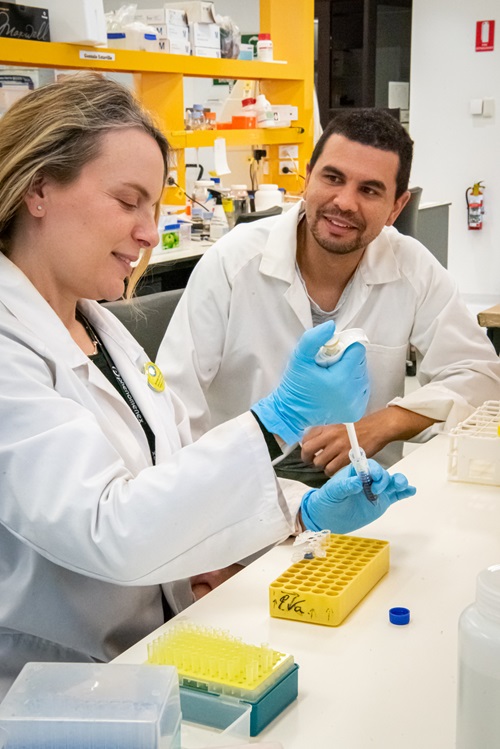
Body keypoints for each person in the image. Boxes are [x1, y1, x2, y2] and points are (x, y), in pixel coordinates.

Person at [0, 74, 416, 698]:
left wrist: (297, 507)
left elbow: (171, 477)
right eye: (127, 200)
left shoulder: (98, 325)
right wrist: (277, 420)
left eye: (154, 206)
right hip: (53, 690)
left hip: (149, 652)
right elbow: (109, 529)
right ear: (38, 189)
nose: (148, 233)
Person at [159, 109, 500, 487]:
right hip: (243, 489)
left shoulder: (411, 267)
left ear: (396, 208)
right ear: (307, 179)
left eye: (369, 190)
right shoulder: (233, 263)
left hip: (359, 488)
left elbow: (480, 376)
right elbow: (173, 403)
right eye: (332, 178)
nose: (345, 202)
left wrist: (382, 425)